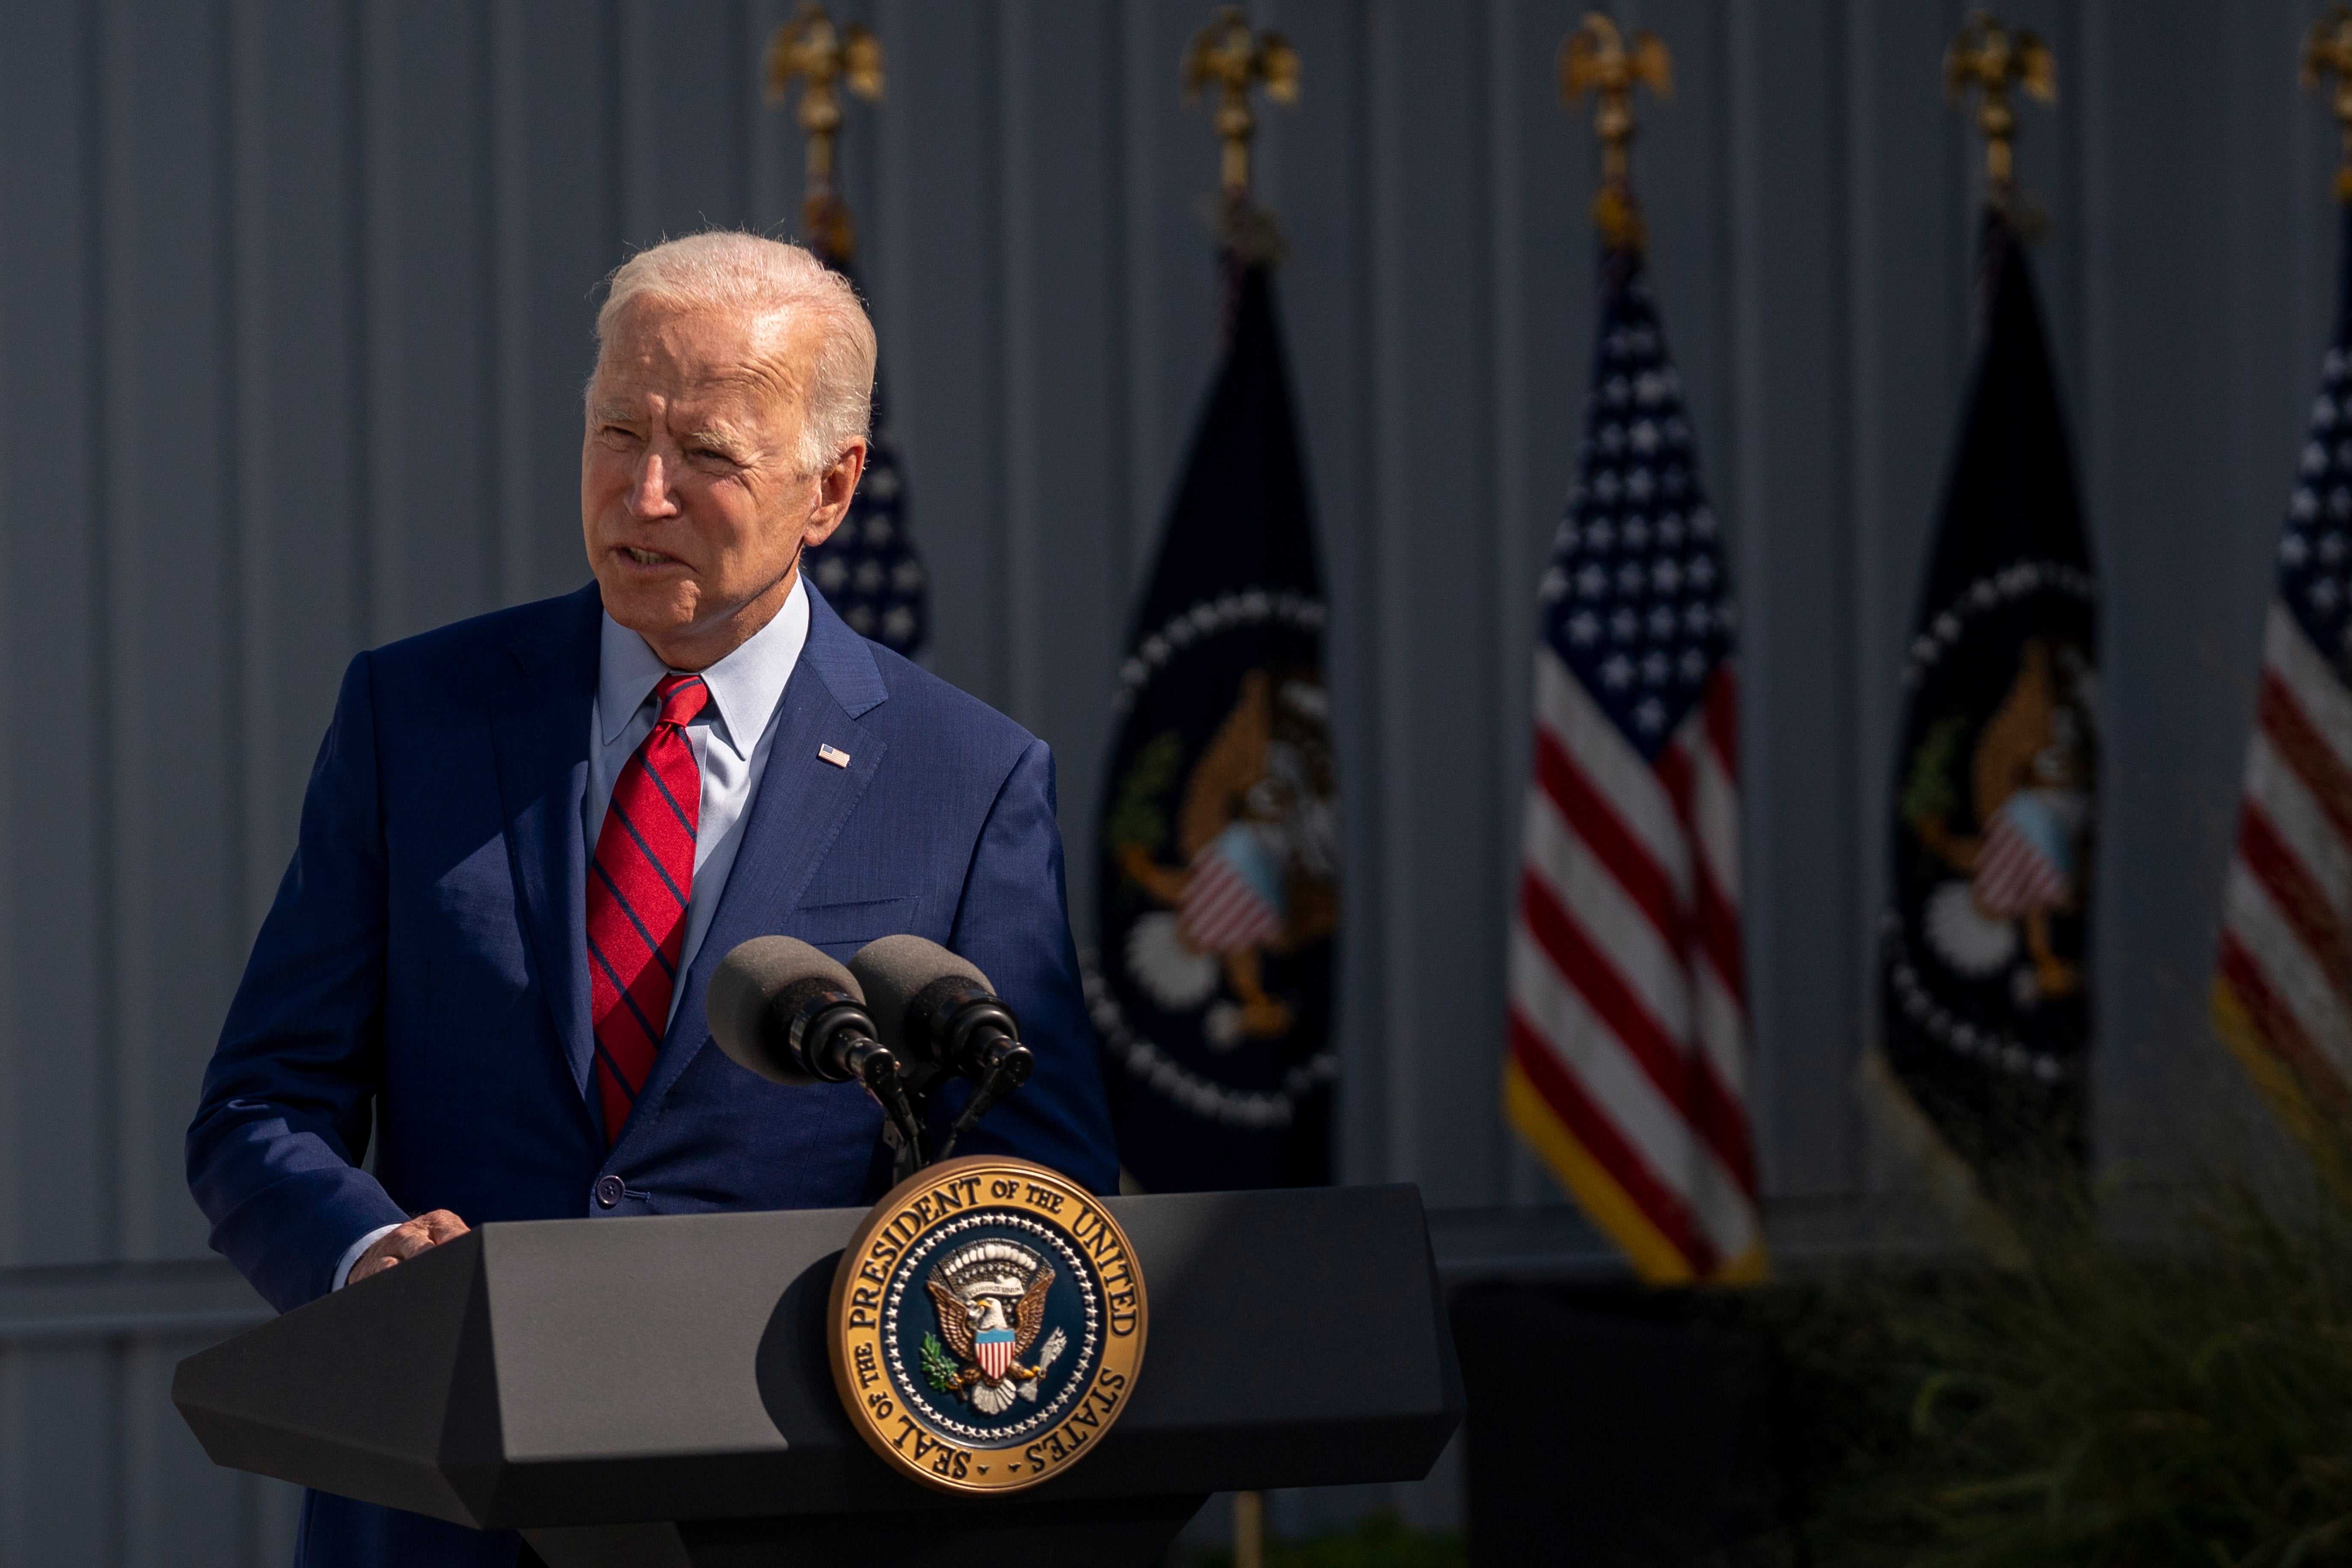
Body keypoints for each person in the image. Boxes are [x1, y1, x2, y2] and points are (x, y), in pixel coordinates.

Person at [186, 231, 1117, 1568]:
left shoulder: (963, 780)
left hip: (788, 1510)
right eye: (617, 431)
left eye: (709, 456)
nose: (644, 489)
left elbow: (1037, 1178)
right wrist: (363, 1254)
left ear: (830, 486)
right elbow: (258, 1102)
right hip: (447, 1510)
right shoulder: (418, 718)